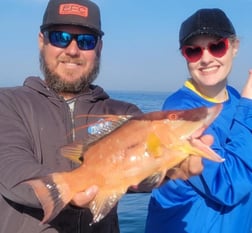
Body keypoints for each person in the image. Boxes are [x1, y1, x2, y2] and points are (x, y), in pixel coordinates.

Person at [0, 0, 213, 232]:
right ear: (42, 41)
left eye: (86, 41)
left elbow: (141, 176)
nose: (72, 50)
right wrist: (70, 190)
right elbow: (11, 169)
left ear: (99, 47)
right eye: (59, 37)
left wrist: (173, 169)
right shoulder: (7, 103)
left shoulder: (124, 114)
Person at [145, 8, 252, 233]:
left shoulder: (236, 100)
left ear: (235, 47)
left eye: (216, 46)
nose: (205, 58)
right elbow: (229, 184)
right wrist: (249, 105)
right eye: (193, 51)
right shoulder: (178, 113)